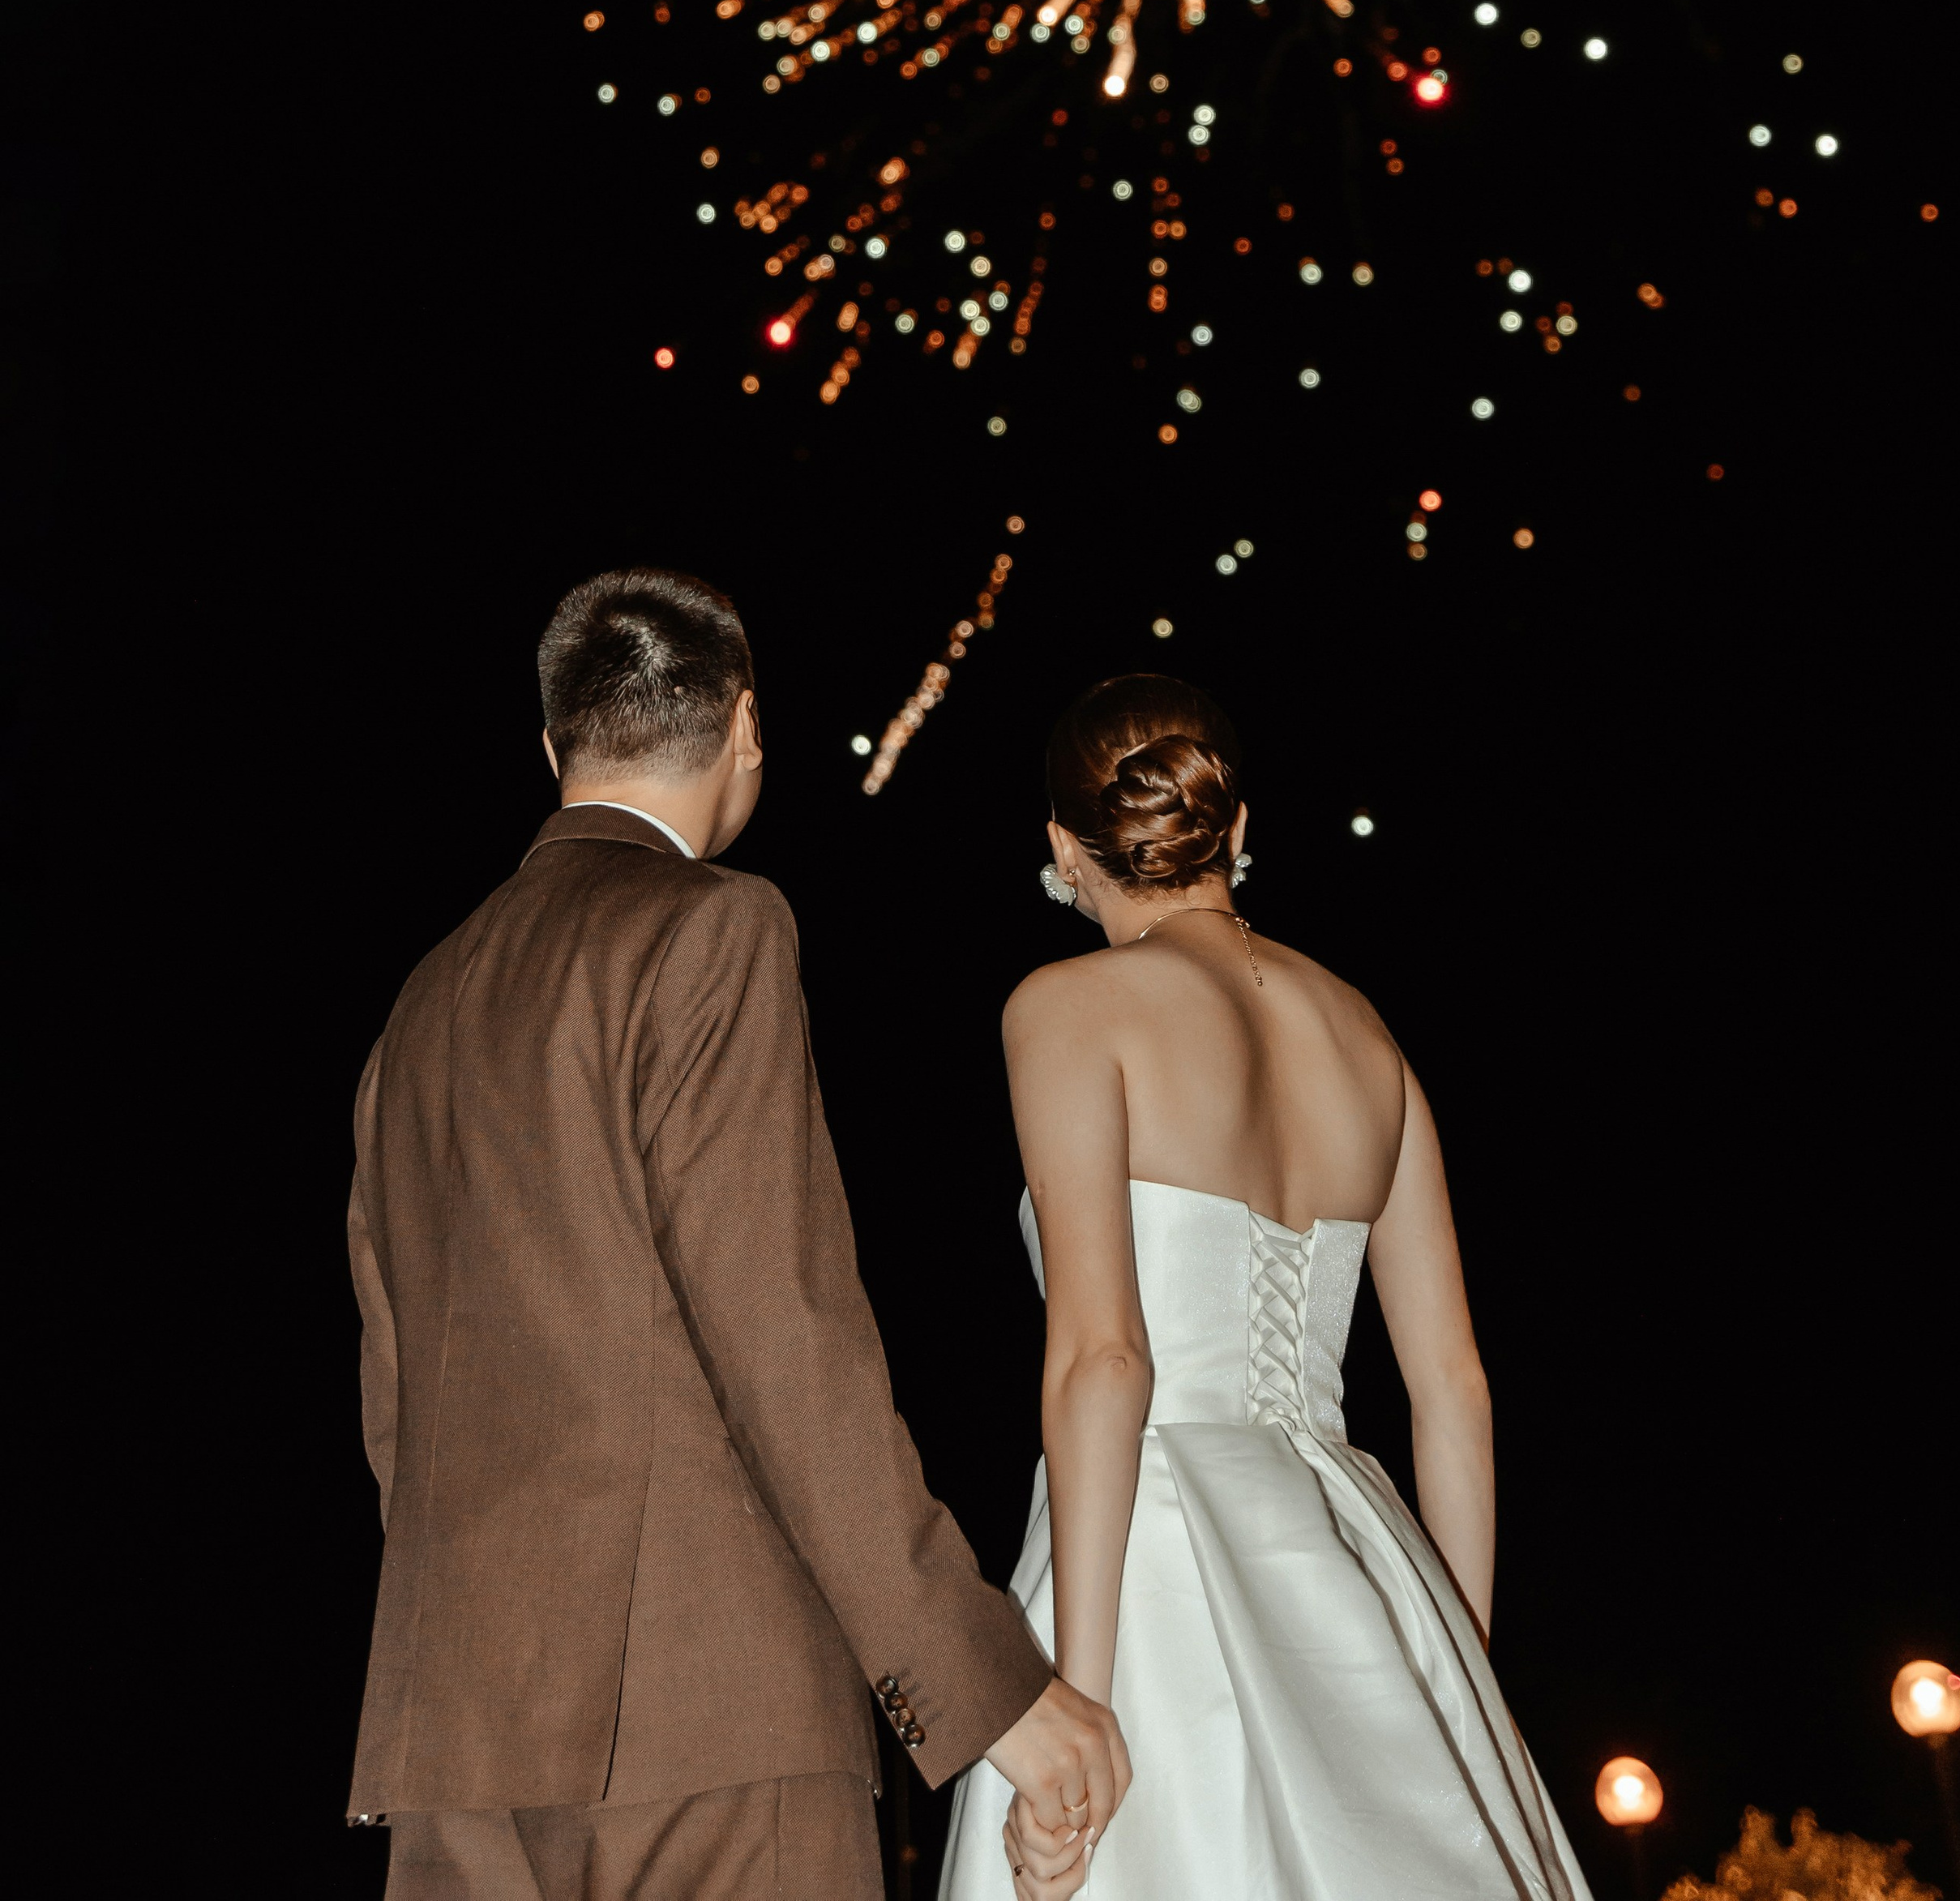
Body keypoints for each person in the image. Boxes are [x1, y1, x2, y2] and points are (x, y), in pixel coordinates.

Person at [346, 564, 1128, 1899]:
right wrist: (982, 1682)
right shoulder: (714, 927)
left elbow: (395, 1404)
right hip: (710, 1719)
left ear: (553, 748)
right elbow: (786, 1344)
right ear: (748, 726)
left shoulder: (422, 1003)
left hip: (459, 1741)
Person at [939, 674, 1594, 1901]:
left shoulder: (1065, 1010)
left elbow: (1106, 1360)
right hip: (1356, 1555)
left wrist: (1081, 1704)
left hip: (1153, 1542)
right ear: (1236, 827)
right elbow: (1454, 1392)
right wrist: (1458, 1679)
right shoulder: (1368, 1037)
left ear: (1062, 849)